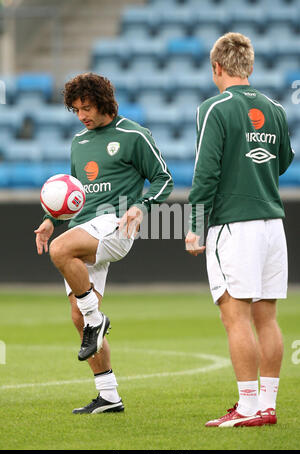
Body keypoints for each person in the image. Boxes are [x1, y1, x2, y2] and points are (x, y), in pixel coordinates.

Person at [35, 73, 173, 414]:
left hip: (116, 224)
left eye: (88, 107)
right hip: (85, 229)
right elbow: (73, 196)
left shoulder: (134, 135)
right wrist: (50, 220)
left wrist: (142, 206)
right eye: (76, 109)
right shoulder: (79, 143)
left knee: (60, 251)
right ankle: (109, 396)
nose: (82, 115)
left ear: (104, 103)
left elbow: (163, 179)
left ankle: (97, 319)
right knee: (80, 320)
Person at [185, 33, 294, 427]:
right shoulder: (276, 108)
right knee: (267, 318)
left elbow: (206, 172)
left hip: (234, 224)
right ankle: (267, 405)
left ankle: (247, 407)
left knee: (236, 317)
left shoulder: (214, 108)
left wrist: (194, 225)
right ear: (249, 66)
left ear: (217, 67)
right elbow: (283, 161)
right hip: (272, 225)